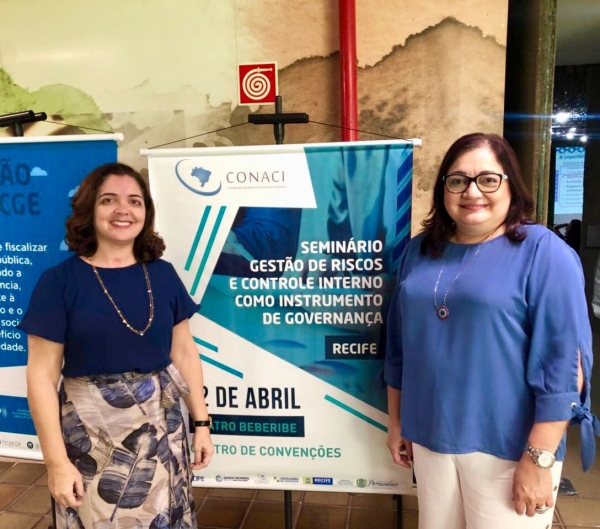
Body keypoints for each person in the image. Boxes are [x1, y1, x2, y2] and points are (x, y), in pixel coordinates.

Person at [384, 133, 599, 529]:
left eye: (488, 179)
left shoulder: (543, 252)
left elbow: (565, 364)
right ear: (444, 188)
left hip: (509, 446)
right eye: (458, 180)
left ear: (510, 185)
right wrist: (397, 421)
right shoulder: (419, 251)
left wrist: (539, 459)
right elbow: (398, 348)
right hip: (429, 437)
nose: (472, 191)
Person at [19, 163, 213, 528]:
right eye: (109, 200)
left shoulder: (163, 273)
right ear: (89, 210)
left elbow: (184, 352)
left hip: (165, 432)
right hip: (93, 441)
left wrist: (201, 423)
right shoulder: (59, 283)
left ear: (145, 213)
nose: (123, 210)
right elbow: (41, 379)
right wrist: (57, 464)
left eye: (134, 201)